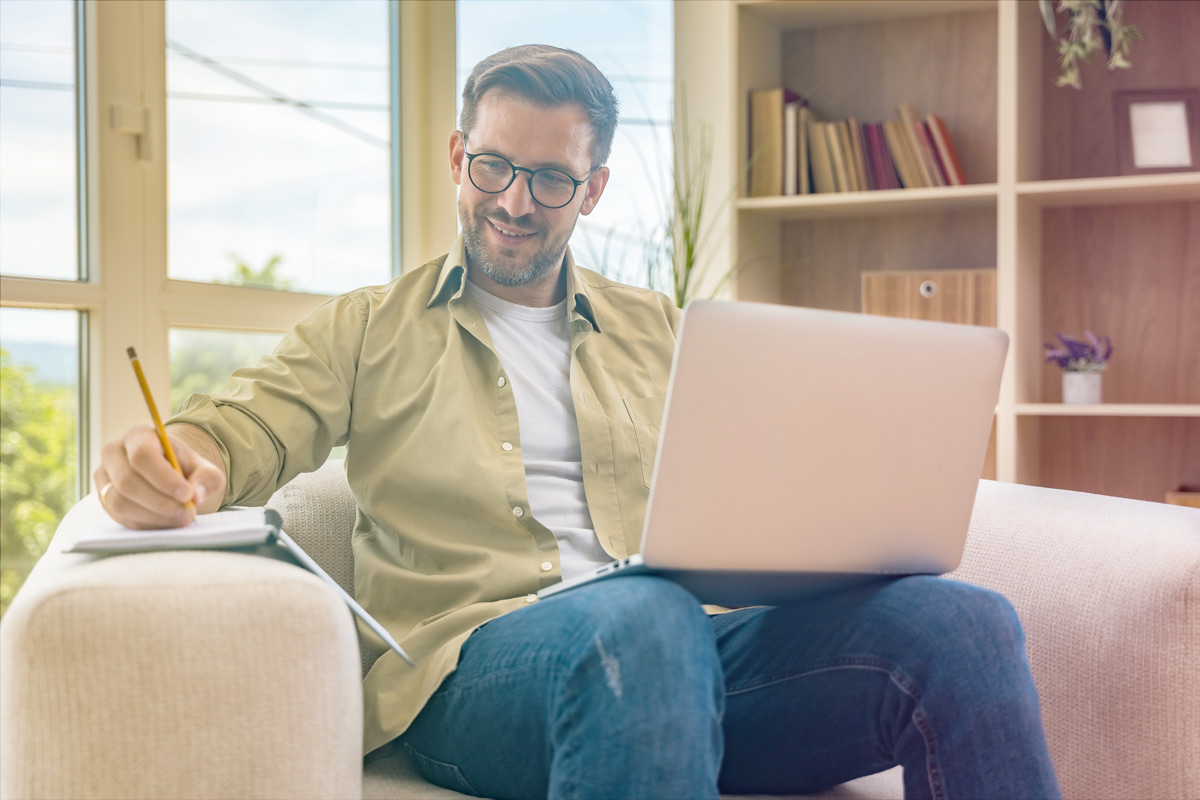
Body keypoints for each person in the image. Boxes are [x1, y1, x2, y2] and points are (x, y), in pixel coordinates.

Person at [94, 45, 1062, 800]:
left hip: (688, 657)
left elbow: (755, 497)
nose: (514, 201)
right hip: (470, 676)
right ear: (456, 156)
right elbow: (243, 425)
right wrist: (182, 458)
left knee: (961, 619)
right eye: (492, 166)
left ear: (592, 188)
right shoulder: (368, 325)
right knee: (641, 615)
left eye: (550, 179)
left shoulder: (669, 332)